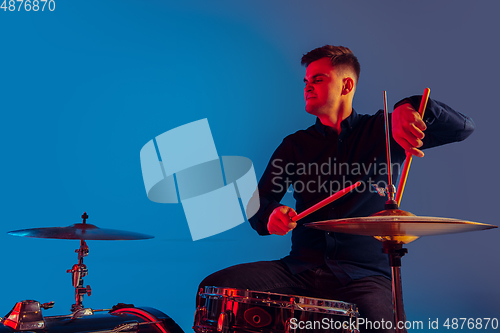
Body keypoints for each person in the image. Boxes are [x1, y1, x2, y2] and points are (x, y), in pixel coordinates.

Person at [197, 45, 474, 332]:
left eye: (317, 79)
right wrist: (270, 215)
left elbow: (462, 128)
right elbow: (259, 204)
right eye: (306, 81)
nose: (308, 87)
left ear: (347, 85)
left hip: (364, 277)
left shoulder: (385, 129)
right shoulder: (294, 146)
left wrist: (409, 107)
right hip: (300, 270)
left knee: (382, 326)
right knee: (215, 290)